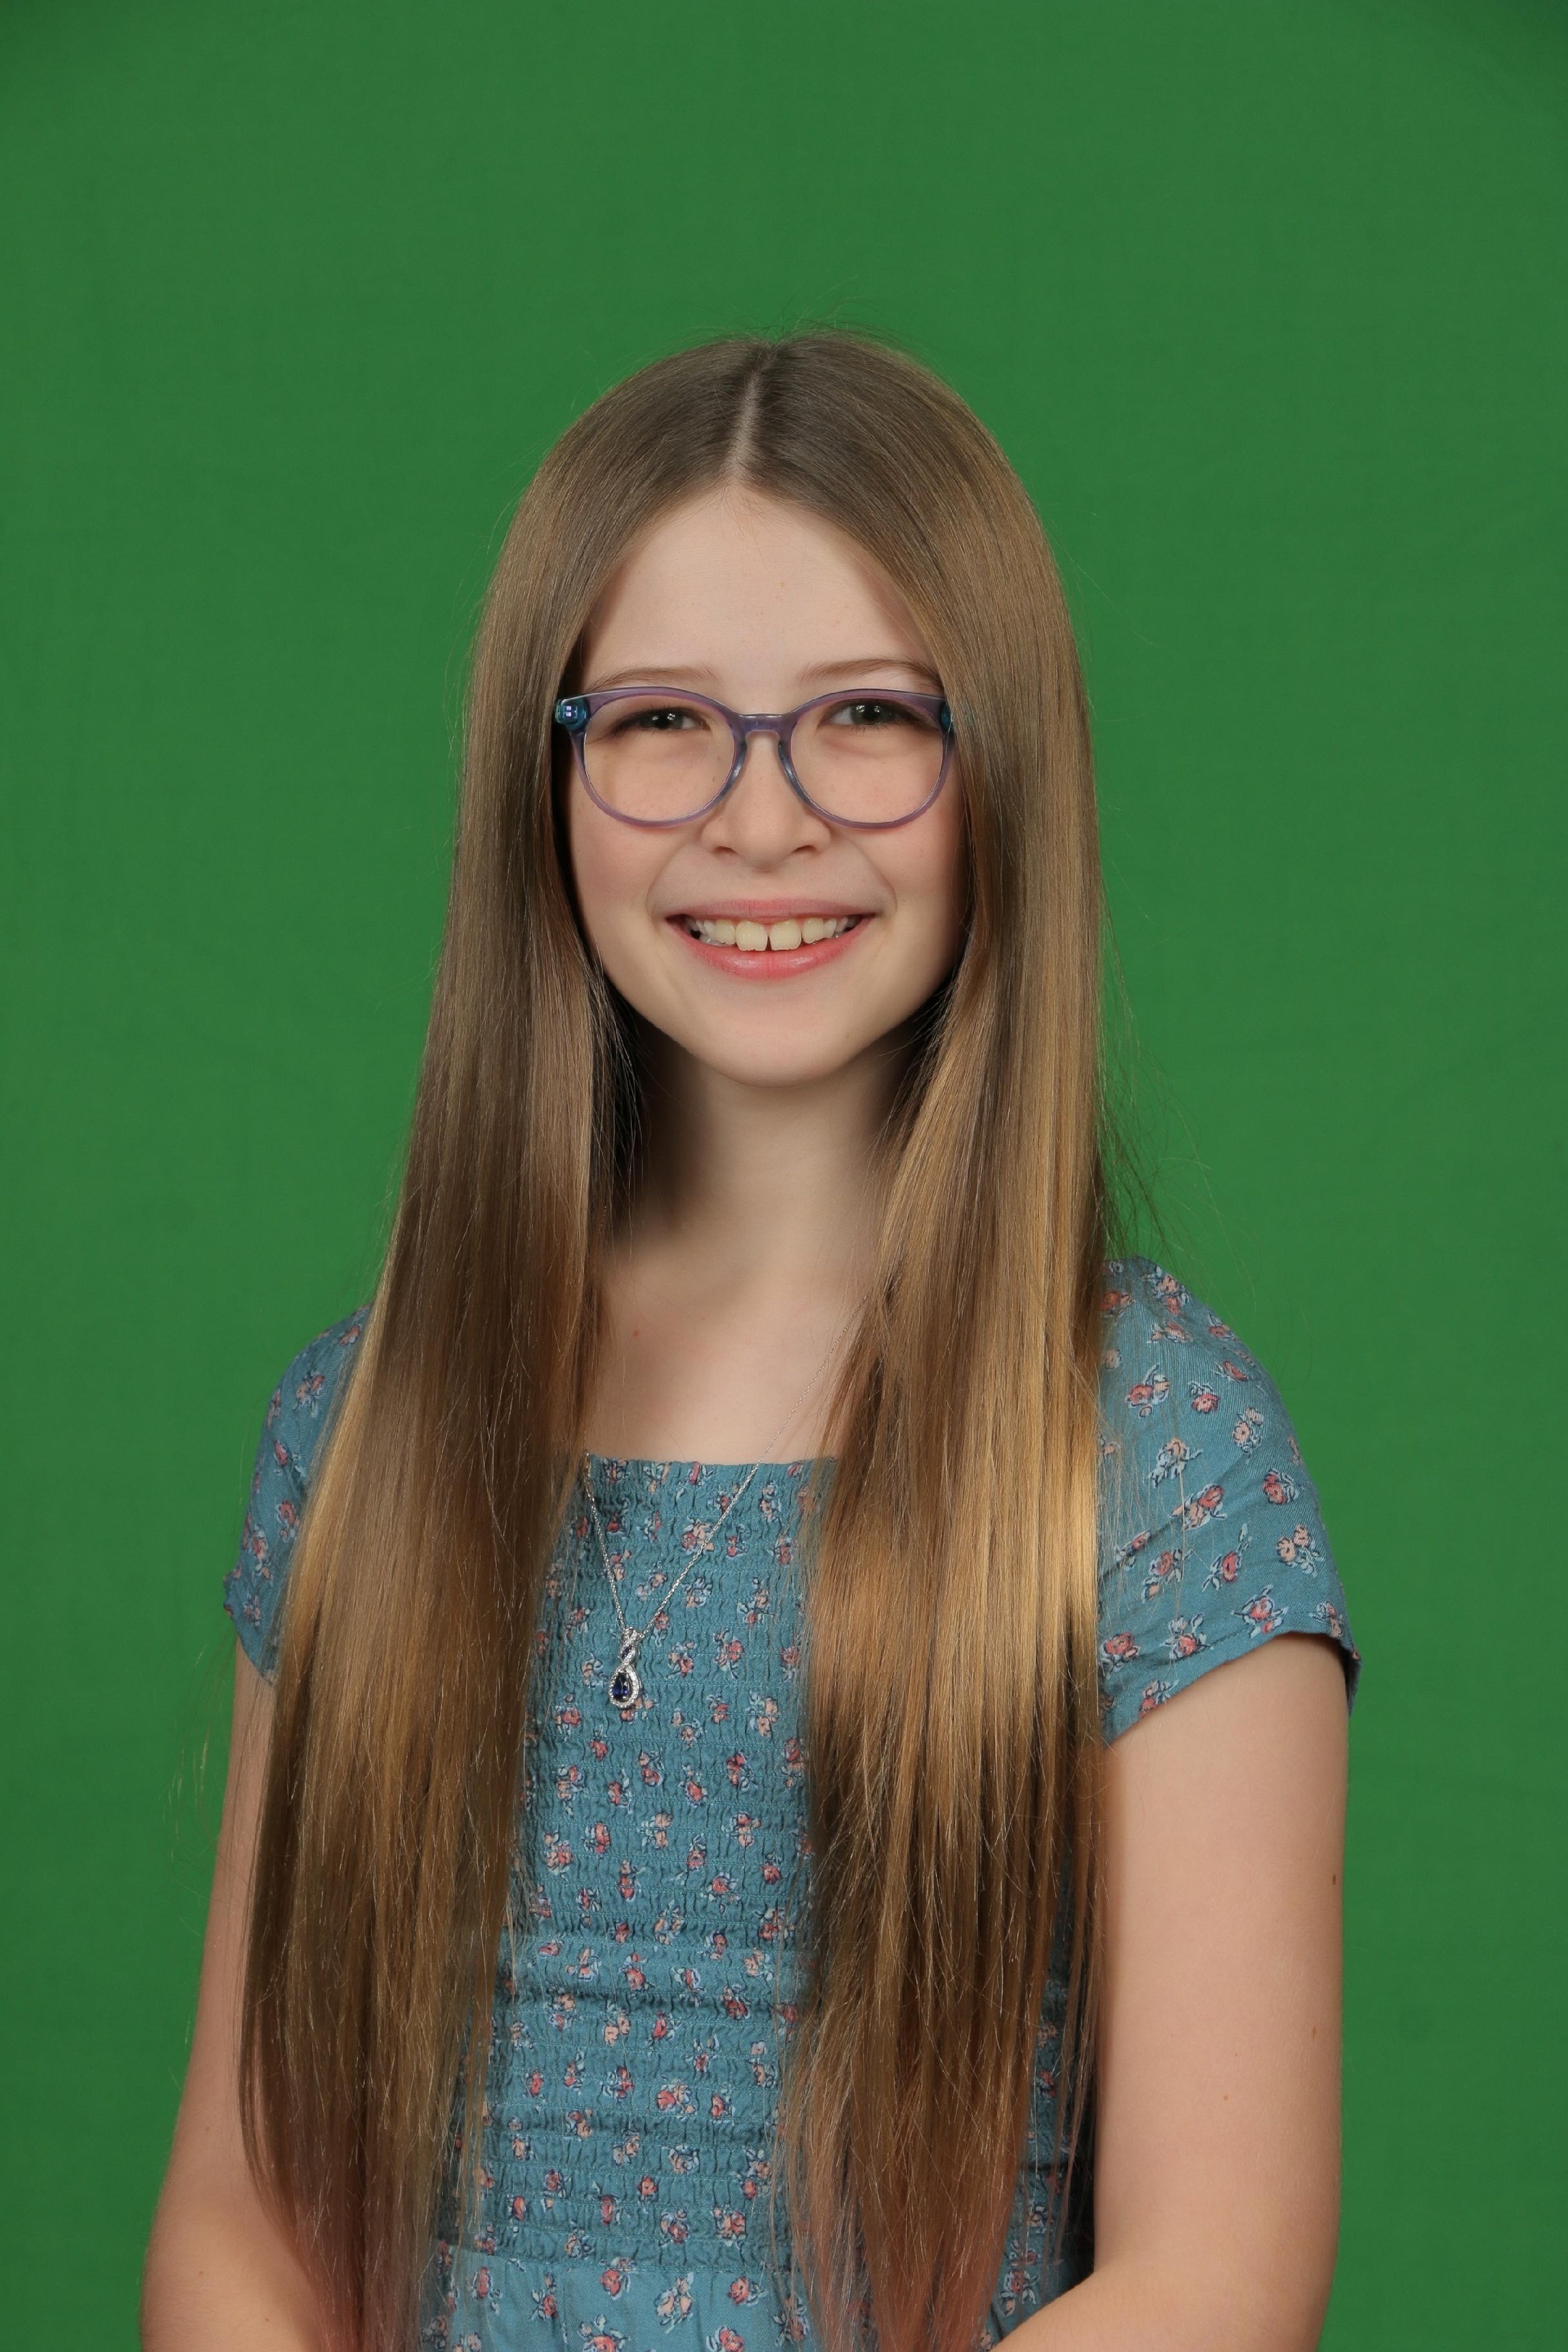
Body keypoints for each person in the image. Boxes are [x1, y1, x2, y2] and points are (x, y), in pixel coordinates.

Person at [142, 332, 1357, 2352]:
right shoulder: (365, 1426)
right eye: (663, 722)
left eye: (867, 717)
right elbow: (240, 2215)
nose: (762, 818)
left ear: (1001, 770)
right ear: (545, 779)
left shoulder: (1154, 1447)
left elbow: (1214, 2273)